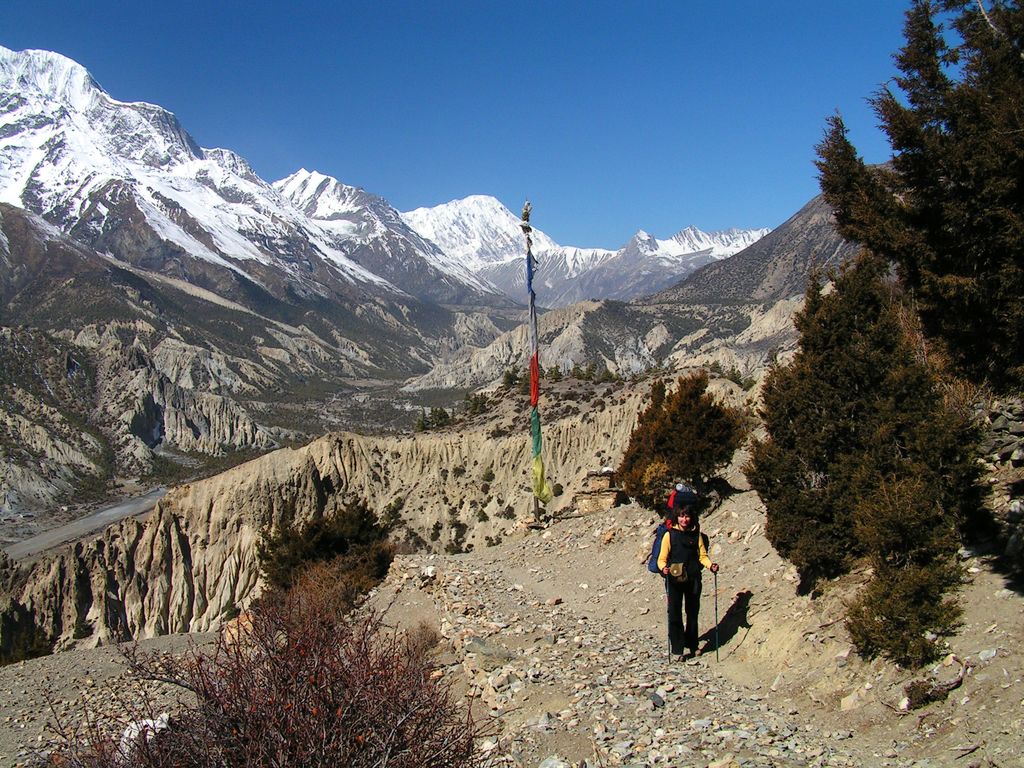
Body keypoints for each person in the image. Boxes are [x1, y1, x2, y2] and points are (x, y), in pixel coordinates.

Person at [657, 506, 719, 659]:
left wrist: (710, 565)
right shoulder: (669, 535)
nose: (684, 520)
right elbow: (661, 559)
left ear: (692, 518)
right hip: (674, 579)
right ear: (677, 517)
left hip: (693, 578)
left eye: (687, 516)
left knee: (692, 613)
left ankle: (692, 644)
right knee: (675, 613)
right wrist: (663, 568)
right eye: (681, 516)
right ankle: (677, 649)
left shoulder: (696, 534)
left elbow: (702, 556)